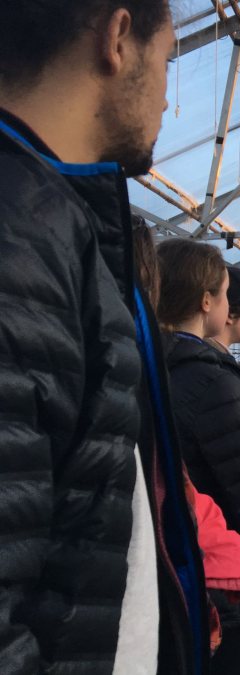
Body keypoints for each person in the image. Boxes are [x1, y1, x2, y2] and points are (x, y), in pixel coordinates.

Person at [0, 3, 209, 674]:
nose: (169, 98)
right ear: (117, 38)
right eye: (169, 59)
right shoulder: (22, 245)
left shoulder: (66, 230)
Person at [156, 245, 240, 675]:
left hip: (165, 570)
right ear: (206, 301)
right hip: (220, 579)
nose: (239, 309)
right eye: (227, 293)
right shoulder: (214, 383)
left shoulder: (143, 365)